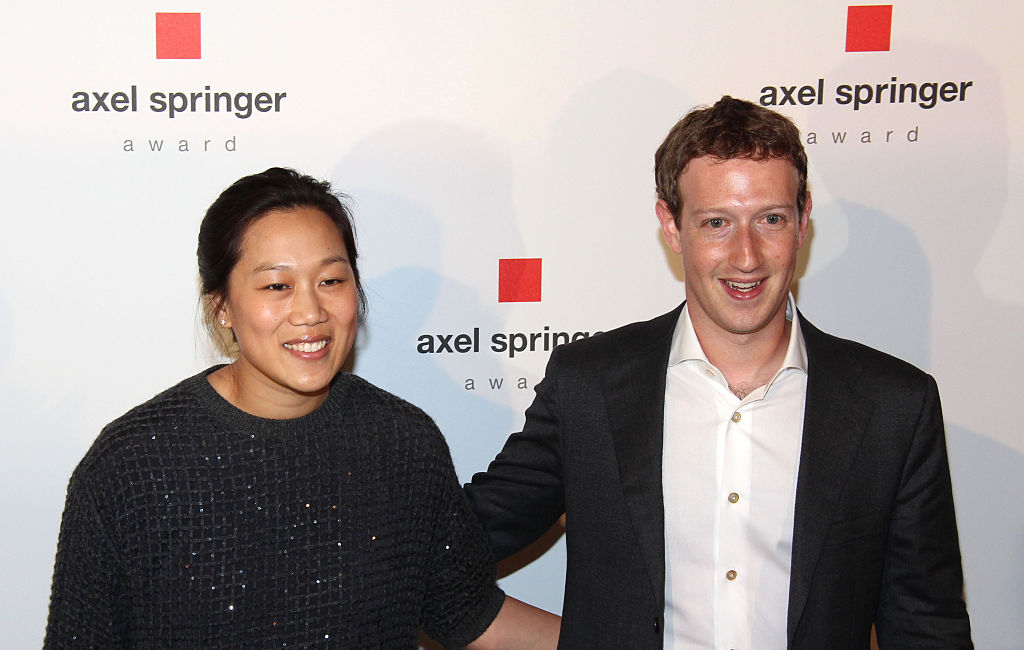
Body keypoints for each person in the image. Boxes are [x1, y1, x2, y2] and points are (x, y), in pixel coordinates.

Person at [465, 97, 973, 648]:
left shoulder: (893, 406)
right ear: (671, 226)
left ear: (803, 221)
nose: (747, 256)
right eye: (716, 223)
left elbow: (927, 626)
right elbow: (461, 538)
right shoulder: (590, 384)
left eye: (770, 219)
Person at [44, 168, 560, 648]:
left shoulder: (402, 441)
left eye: (331, 281)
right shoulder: (133, 465)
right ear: (221, 305)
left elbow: (466, 611)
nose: (310, 312)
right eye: (277, 286)